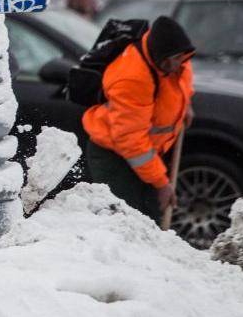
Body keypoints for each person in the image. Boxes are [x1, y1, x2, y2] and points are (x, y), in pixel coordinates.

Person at [82, 15, 194, 222]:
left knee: (150, 218)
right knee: (127, 222)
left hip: (146, 153)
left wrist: (184, 107)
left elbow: (179, 87)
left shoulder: (179, 60)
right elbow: (131, 141)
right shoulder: (132, 78)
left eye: (179, 58)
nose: (176, 63)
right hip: (114, 157)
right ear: (157, 56)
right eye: (169, 60)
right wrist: (161, 183)